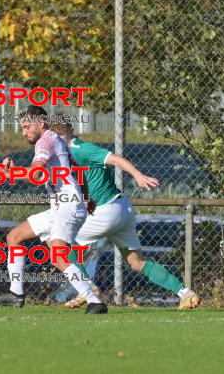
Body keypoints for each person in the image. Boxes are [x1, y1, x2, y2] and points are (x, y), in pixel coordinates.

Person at [51, 119, 200, 310]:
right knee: (136, 262)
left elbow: (115, 159)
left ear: (65, 134)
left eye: (58, 136)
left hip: (105, 211)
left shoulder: (81, 148)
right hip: (121, 209)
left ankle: (86, 288)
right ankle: (185, 293)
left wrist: (138, 175)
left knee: (61, 245)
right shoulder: (65, 153)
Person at [0, 105, 108, 314]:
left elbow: (36, 175)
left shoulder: (46, 140)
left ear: (40, 123)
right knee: (14, 237)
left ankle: (94, 301)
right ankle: (16, 294)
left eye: (27, 127)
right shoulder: (57, 140)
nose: (24, 132)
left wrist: (8, 174)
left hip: (67, 208)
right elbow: (77, 173)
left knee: (57, 256)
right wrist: (87, 199)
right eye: (22, 128)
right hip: (62, 207)